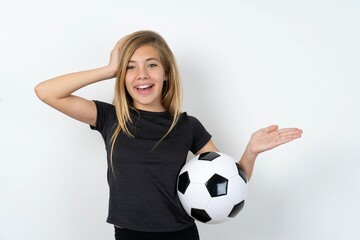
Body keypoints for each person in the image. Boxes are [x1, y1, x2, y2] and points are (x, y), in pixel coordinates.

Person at [34, 30, 303, 240]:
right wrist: (109, 70)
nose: (141, 75)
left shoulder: (188, 127)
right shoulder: (111, 118)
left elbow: (226, 184)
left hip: (179, 234)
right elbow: (46, 92)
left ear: (165, 73)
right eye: (131, 67)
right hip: (128, 234)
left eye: (151, 65)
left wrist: (251, 152)